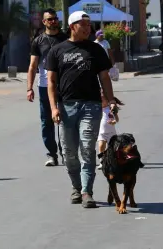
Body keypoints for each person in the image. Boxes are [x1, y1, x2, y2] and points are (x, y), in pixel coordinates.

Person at [46, 11, 117, 208]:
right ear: (72, 26)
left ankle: (87, 192)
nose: (87, 28)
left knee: (87, 148)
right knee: (68, 152)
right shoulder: (57, 50)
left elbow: (104, 77)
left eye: (89, 25)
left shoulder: (96, 50)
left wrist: (110, 100)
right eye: (83, 24)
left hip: (91, 105)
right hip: (66, 106)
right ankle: (76, 188)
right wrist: (53, 108)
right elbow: (51, 81)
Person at [27, 8, 68, 166]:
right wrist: (29, 88)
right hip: (44, 86)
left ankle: (65, 151)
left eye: (55, 18)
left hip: (64, 84)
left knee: (65, 120)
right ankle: (52, 154)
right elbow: (32, 66)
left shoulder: (65, 39)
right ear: (44, 22)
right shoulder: (38, 41)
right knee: (47, 122)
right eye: (50, 19)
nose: (53, 21)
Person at [96, 92, 123, 170]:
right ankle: (102, 162)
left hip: (111, 133)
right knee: (101, 146)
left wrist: (113, 122)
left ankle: (112, 161)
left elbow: (116, 119)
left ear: (107, 101)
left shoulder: (110, 109)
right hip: (101, 133)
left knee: (112, 149)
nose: (100, 102)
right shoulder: (98, 110)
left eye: (102, 100)